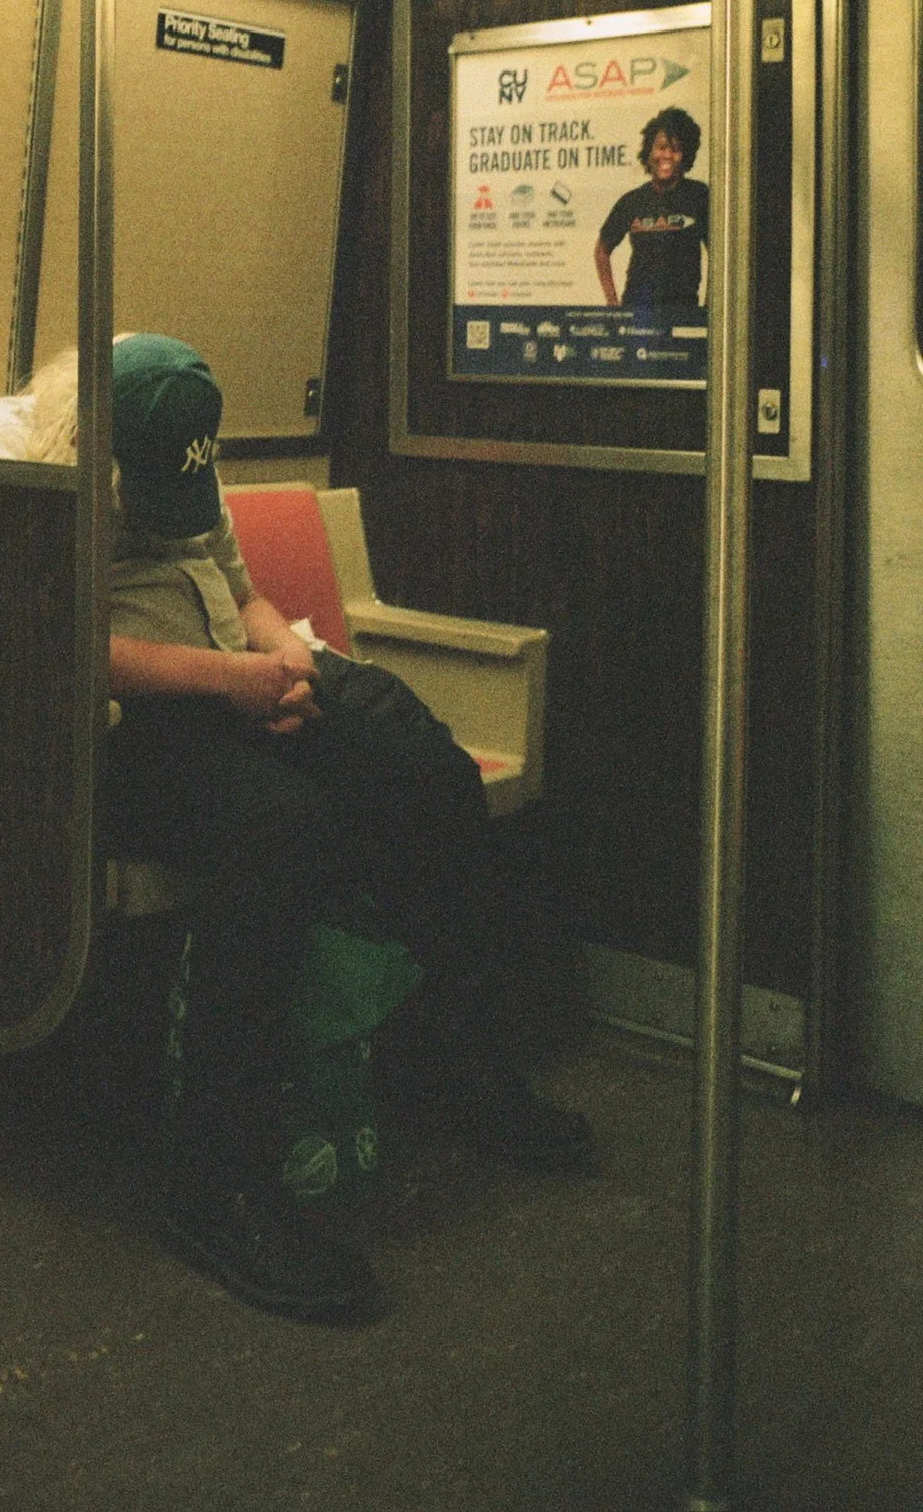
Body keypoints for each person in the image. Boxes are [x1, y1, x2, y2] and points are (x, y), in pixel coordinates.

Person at [99, 333, 593, 1324]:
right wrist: (225, 681)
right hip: (123, 723)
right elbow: (47, 642)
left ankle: (464, 1058)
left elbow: (243, 597)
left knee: (425, 770)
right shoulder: (15, 465)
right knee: (281, 829)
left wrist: (289, 667)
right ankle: (215, 1183)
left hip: (234, 680)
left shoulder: (182, 443)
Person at [594, 106, 709, 310]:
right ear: (649, 152)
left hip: (682, 313)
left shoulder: (700, 196)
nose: (667, 155)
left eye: (676, 149)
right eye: (661, 147)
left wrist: (711, 306)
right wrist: (612, 302)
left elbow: (720, 257)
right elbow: (602, 250)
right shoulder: (632, 201)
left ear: (686, 155)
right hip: (637, 313)